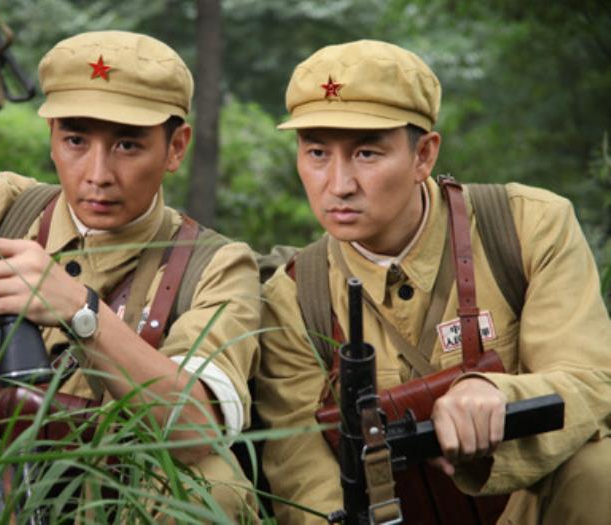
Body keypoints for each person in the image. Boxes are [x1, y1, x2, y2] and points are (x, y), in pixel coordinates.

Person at [255, 39, 611, 524]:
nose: (338, 185)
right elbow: (304, 477)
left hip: (527, 511)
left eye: (366, 153)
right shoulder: (296, 298)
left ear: (423, 155)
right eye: (317, 152)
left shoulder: (526, 229)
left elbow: (589, 379)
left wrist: (496, 395)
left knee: (599, 468)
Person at [0, 30, 260, 521]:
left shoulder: (215, 265)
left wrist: (82, 313)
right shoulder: (9, 209)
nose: (97, 174)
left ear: (176, 147)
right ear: (51, 136)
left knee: (214, 487)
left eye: (127, 145)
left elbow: (194, 429)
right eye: (75, 140)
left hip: (124, 509)